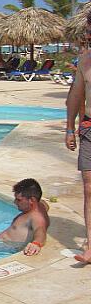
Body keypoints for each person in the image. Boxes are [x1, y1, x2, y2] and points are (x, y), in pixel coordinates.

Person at [66, 22, 91, 263]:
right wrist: (69, 128)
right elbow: (75, 96)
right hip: (90, 127)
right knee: (88, 186)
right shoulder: (85, 62)